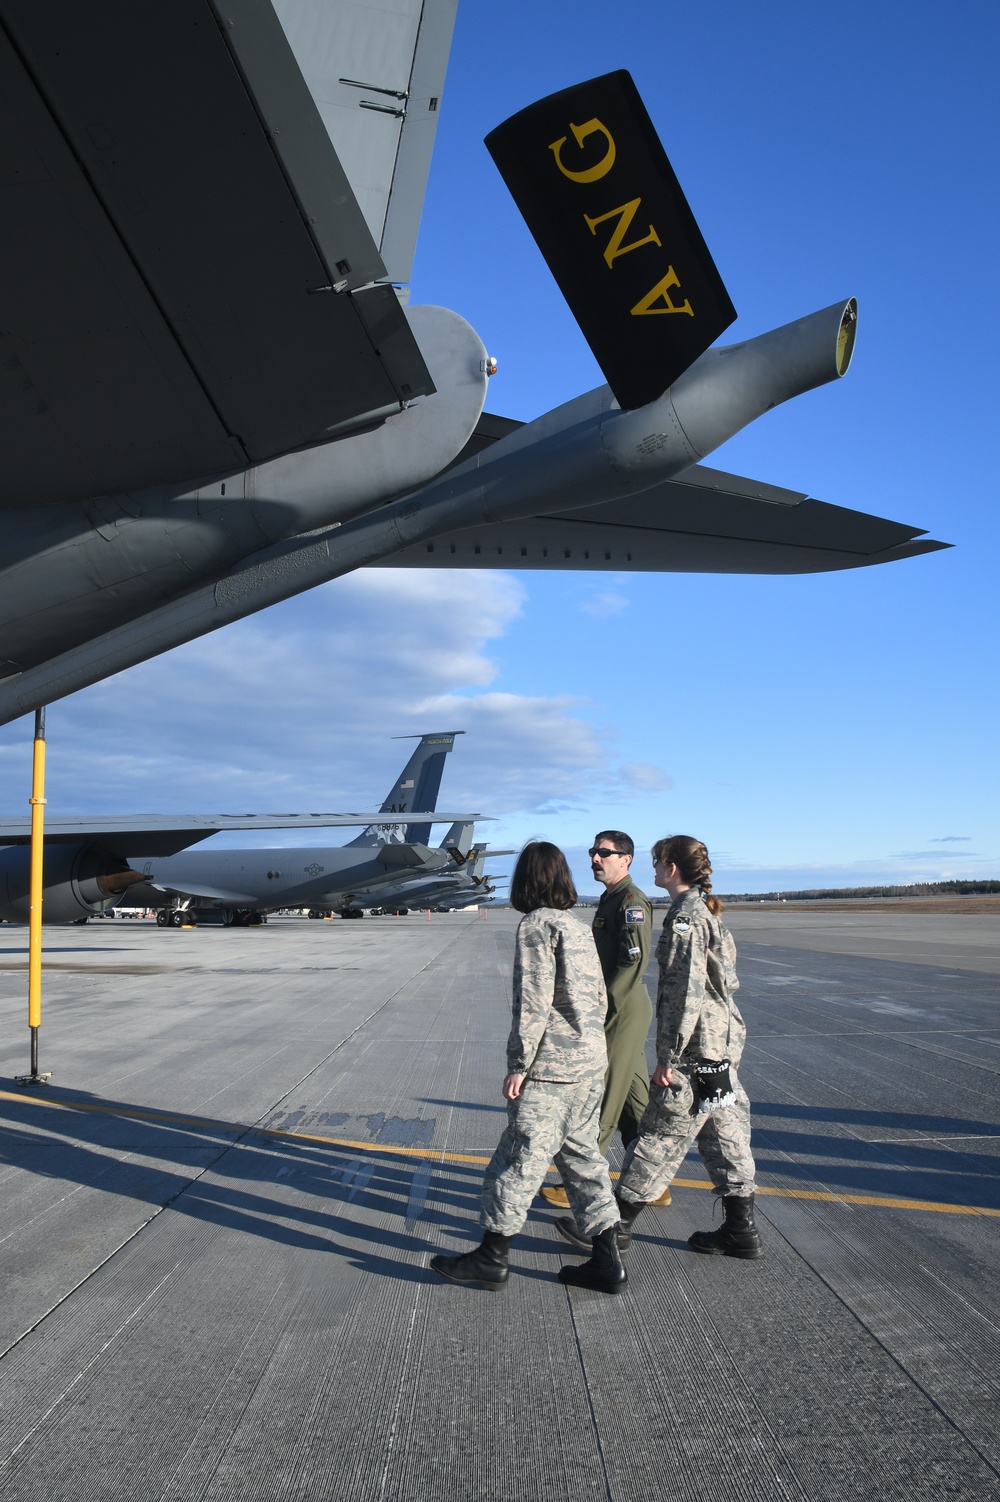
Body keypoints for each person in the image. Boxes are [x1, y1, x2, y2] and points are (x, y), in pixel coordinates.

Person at [430, 841, 627, 1294]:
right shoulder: (576, 926)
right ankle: (606, 1259)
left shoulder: (537, 926)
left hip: (552, 1069)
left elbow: (533, 1004)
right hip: (589, 1065)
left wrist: (519, 1065)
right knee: (583, 1161)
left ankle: (491, 1257)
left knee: (517, 1161)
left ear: (526, 880)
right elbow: (600, 998)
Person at [613, 835, 764, 1259]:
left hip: (695, 1050)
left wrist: (670, 1059)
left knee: (661, 1132)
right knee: (725, 1132)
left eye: (658, 860)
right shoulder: (705, 910)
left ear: (672, 867)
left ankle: (616, 1227)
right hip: (721, 1044)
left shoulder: (685, 916)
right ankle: (741, 1229)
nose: (655, 867)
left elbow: (684, 992)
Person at [543, 830, 667, 1220]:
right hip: (620, 1006)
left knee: (604, 1094)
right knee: (634, 1101)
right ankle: (653, 1181)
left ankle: (581, 1180)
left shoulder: (632, 902)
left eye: (604, 853)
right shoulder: (611, 899)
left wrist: (603, 1010)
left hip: (622, 1008)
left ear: (625, 859)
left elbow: (633, 962)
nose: (595, 859)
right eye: (593, 852)